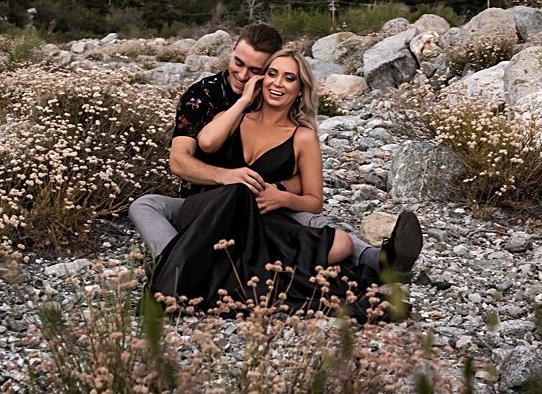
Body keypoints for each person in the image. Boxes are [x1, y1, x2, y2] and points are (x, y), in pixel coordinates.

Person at [129, 22, 422, 280]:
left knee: (315, 223)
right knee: (146, 205)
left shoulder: (278, 107)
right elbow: (181, 161)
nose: (243, 76)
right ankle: (177, 263)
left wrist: (280, 192)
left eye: (256, 70)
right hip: (202, 201)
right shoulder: (205, 97)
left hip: (261, 204)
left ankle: (382, 261)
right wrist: (228, 176)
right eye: (239, 63)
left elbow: (305, 187)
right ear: (232, 51)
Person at [149, 49, 385, 317]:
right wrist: (244, 100)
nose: (277, 83)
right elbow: (206, 142)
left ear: (299, 90)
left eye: (288, 78)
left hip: (262, 219)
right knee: (237, 189)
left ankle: (236, 270)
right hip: (210, 212)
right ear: (260, 80)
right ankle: (175, 284)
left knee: (342, 243)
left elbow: (314, 201)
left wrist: (282, 197)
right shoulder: (233, 116)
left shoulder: (303, 137)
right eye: (272, 74)